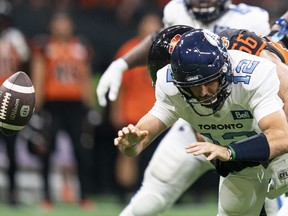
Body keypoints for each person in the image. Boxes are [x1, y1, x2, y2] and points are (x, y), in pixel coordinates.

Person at [97, 0, 276, 215]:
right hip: (193, 123)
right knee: (152, 195)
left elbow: (274, 71)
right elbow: (158, 41)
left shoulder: (252, 28)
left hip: (247, 128)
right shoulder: (176, 16)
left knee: (266, 203)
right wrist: (122, 63)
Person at [30, 11, 95, 210]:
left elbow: (85, 78)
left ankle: (83, 196)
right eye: (58, 23)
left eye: (65, 23)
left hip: (75, 106)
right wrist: (37, 108)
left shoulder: (80, 47)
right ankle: (47, 197)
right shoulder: (45, 46)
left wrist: (90, 107)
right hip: (53, 104)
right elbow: (39, 77)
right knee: (47, 150)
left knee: (81, 151)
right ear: (51, 26)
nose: (62, 27)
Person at [109, 13, 162, 203]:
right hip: (132, 111)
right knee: (128, 154)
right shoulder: (129, 50)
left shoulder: (166, 51)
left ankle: (159, 192)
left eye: (154, 24)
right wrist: (116, 110)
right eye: (147, 23)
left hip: (160, 115)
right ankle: (125, 192)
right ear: (140, 26)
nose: (150, 28)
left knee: (160, 156)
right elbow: (120, 84)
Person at [0, 0, 30, 206]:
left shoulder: (15, 38)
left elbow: (26, 62)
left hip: (10, 99)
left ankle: (12, 192)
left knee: (11, 149)